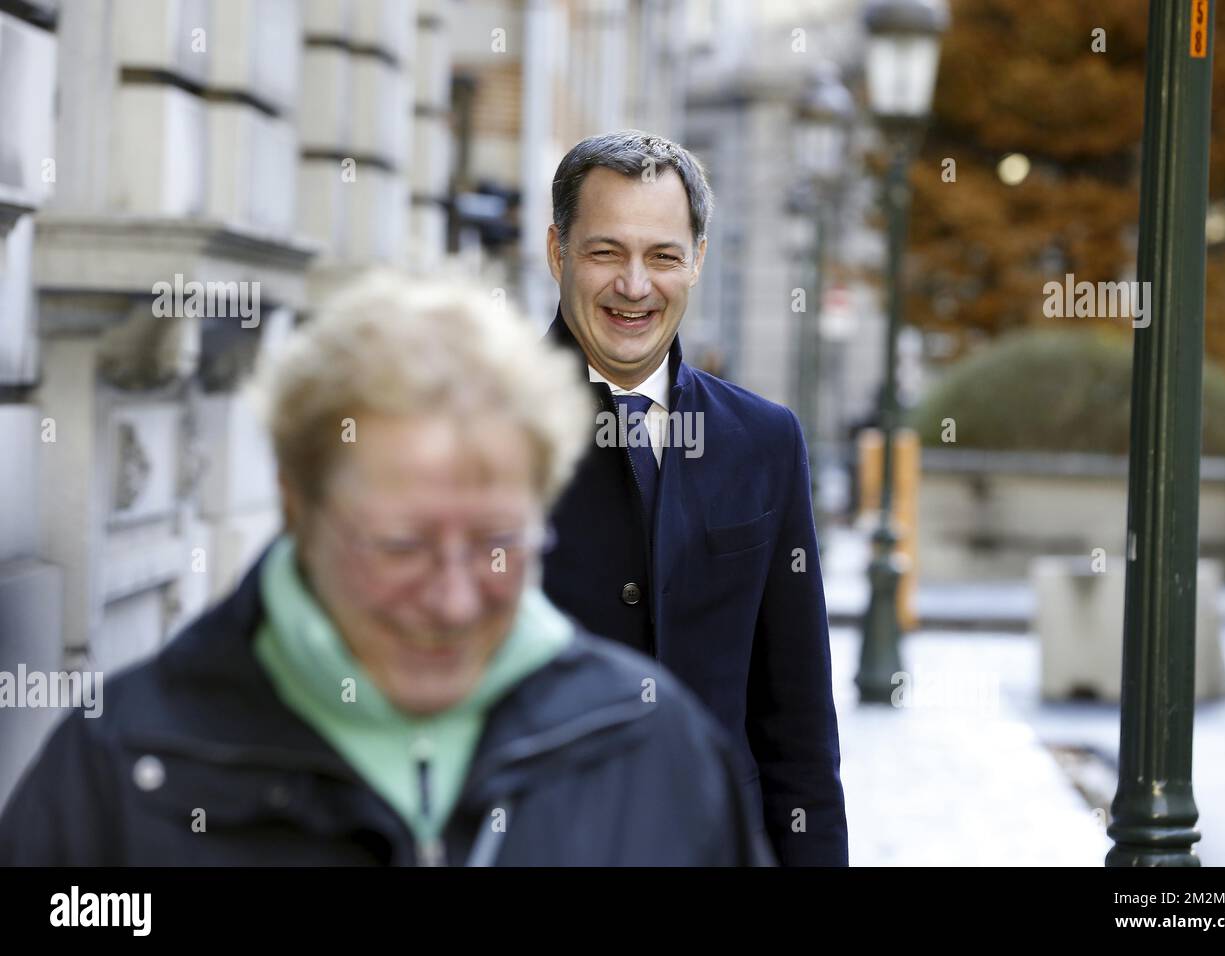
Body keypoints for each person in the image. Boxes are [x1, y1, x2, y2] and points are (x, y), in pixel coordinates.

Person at [0, 275, 773, 867]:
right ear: (296, 505)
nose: (452, 597)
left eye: (497, 543)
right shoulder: (125, 770)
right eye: (400, 546)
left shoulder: (655, 749)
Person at [541, 130, 849, 865]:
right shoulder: (478, 431)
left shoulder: (766, 442)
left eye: (664, 256)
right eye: (606, 252)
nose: (635, 285)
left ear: (699, 260)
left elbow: (797, 727)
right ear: (559, 253)